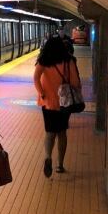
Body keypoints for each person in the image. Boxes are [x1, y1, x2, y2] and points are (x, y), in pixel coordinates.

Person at [33, 36, 81, 177]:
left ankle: (48, 156)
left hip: (48, 102)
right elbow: (75, 82)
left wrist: (42, 93)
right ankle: (60, 165)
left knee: (49, 132)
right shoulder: (69, 60)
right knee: (62, 133)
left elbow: (36, 78)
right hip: (64, 103)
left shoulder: (44, 60)